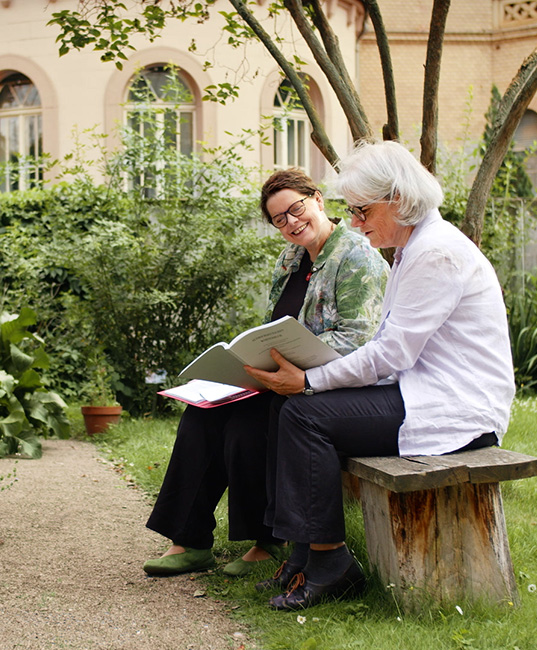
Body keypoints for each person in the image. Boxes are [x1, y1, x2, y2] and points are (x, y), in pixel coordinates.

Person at [244, 140, 516, 611]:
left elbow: (390, 354)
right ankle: (304, 553)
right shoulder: (416, 248)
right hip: (420, 390)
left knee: (305, 414)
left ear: (399, 198)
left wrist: (309, 382)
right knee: (291, 408)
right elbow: (388, 351)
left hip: (458, 408)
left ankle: (330, 564)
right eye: (351, 211)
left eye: (362, 210)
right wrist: (304, 385)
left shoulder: (436, 253)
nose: (354, 222)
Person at [143, 168, 390, 578]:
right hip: (279, 376)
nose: (292, 223)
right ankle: (189, 540)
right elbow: (277, 324)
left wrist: (290, 368)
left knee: (246, 428)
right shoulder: (290, 258)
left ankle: (268, 539)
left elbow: (360, 339)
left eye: (296, 209)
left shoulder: (356, 255)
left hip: (327, 385)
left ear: (318, 200)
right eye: (280, 219)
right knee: (201, 415)